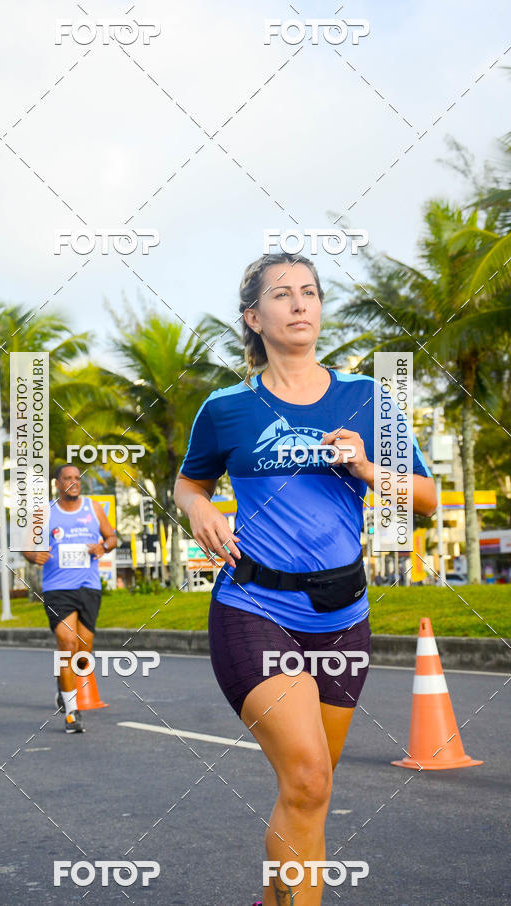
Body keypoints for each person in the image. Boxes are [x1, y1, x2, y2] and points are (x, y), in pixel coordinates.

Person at [174, 253, 437, 906]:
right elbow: (189, 481)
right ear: (253, 317)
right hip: (253, 605)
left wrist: (371, 469)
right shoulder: (227, 408)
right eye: (282, 295)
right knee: (309, 774)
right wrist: (202, 509)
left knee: (310, 791)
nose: (299, 304)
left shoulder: (367, 398)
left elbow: (428, 499)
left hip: (343, 615)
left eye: (310, 293)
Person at [22, 464, 116, 734]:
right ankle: (72, 712)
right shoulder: (44, 513)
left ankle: (63, 687)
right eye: (68, 478)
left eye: (77, 478)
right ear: (57, 483)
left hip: (88, 586)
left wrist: (103, 546)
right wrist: (33, 555)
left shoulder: (93, 508)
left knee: (83, 653)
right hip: (57, 589)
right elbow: (28, 548)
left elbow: (112, 537)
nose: (74, 482)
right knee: (67, 642)